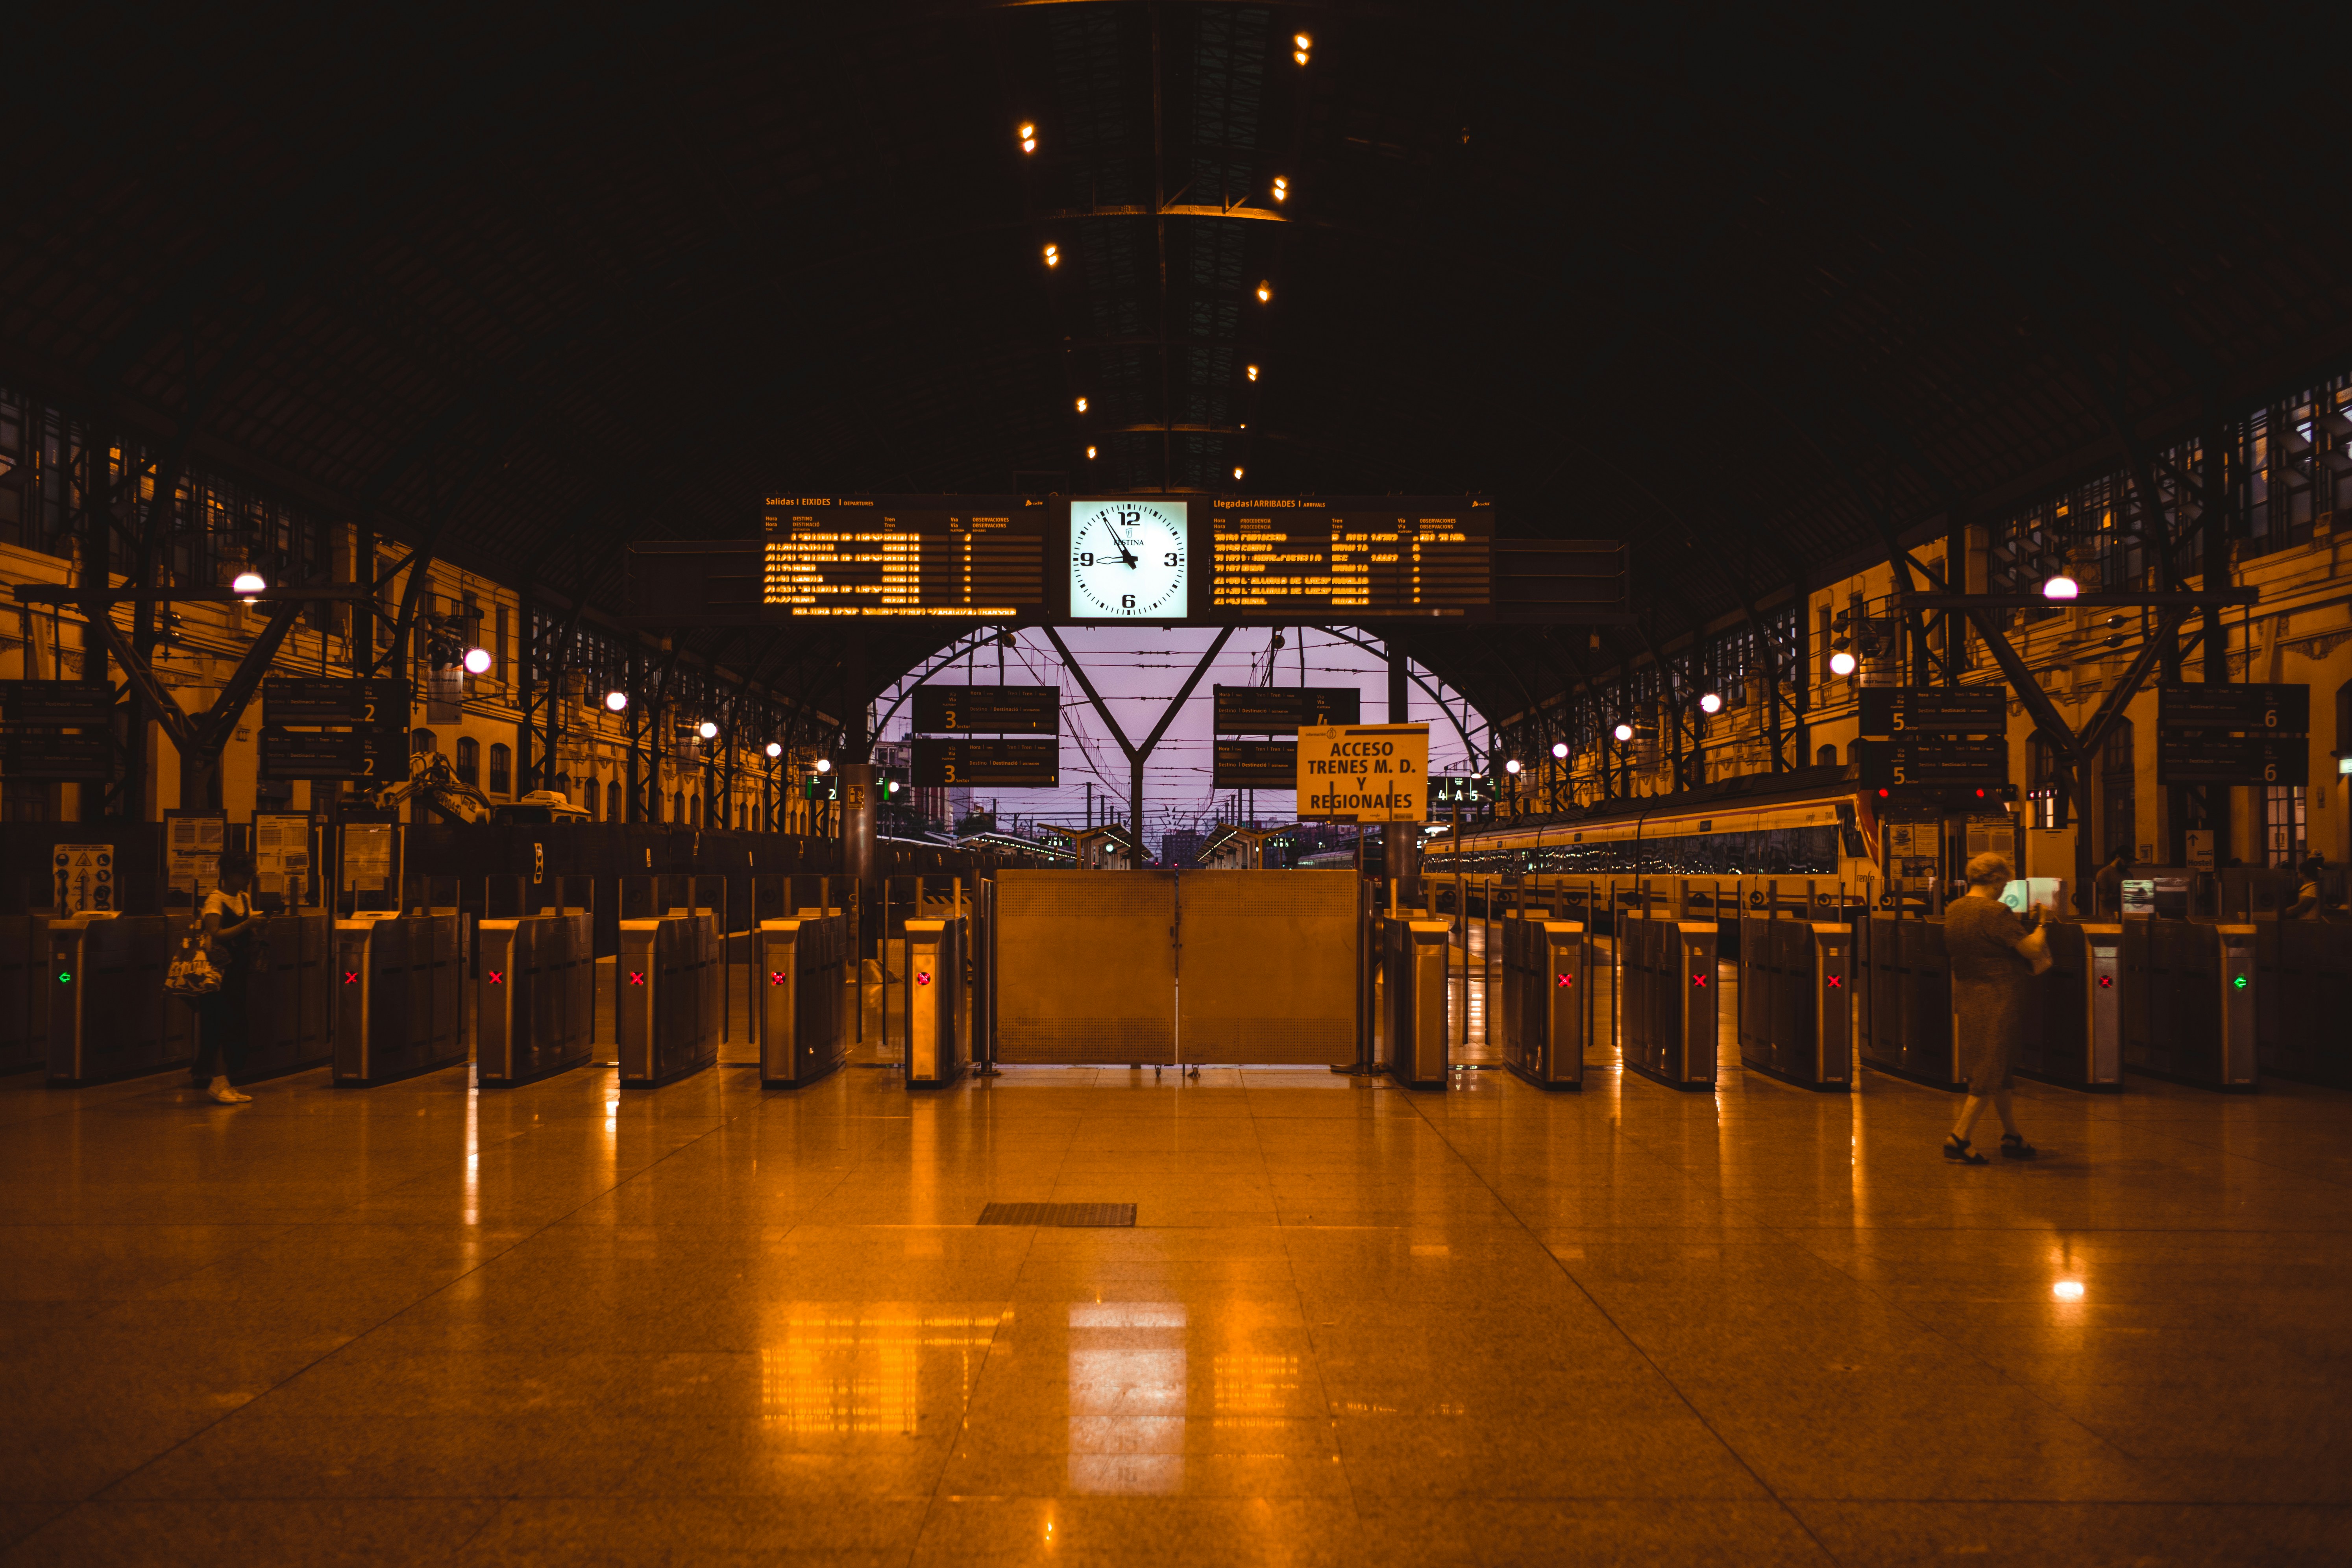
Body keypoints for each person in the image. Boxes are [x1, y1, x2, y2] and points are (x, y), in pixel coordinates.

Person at [1942, 851, 2046, 1165]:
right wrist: (2042, 925)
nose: (2005, 890)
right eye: (2005, 883)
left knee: (1996, 1065)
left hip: (1968, 993)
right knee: (1990, 1068)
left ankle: (2012, 1136)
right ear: (1997, 880)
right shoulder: (1995, 912)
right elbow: (2030, 948)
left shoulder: (1955, 909)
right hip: (1999, 997)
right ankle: (1960, 1137)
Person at [188, 852, 261, 1105]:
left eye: (252, 875)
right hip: (218, 974)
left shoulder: (244, 898)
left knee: (234, 1025)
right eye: (246, 875)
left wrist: (257, 926)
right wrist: (248, 924)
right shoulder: (215, 900)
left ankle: (225, 1081)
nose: (250, 880)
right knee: (219, 1025)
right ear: (230, 875)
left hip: (237, 971)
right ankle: (218, 1082)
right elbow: (215, 933)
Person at [2287, 855, 2327, 920]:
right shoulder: (2309, 886)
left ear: (2303, 873)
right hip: (2305, 921)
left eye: (2299, 871)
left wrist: (2281, 913)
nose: (2298, 874)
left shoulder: (2313, 889)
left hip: (2310, 922)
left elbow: (2299, 907)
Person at [2094, 847, 2130, 918]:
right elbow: (2103, 897)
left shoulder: (2129, 874)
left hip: (2123, 916)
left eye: (2130, 862)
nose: (2128, 864)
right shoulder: (2104, 873)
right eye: (2126, 861)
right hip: (2108, 917)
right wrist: (2123, 895)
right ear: (2118, 858)